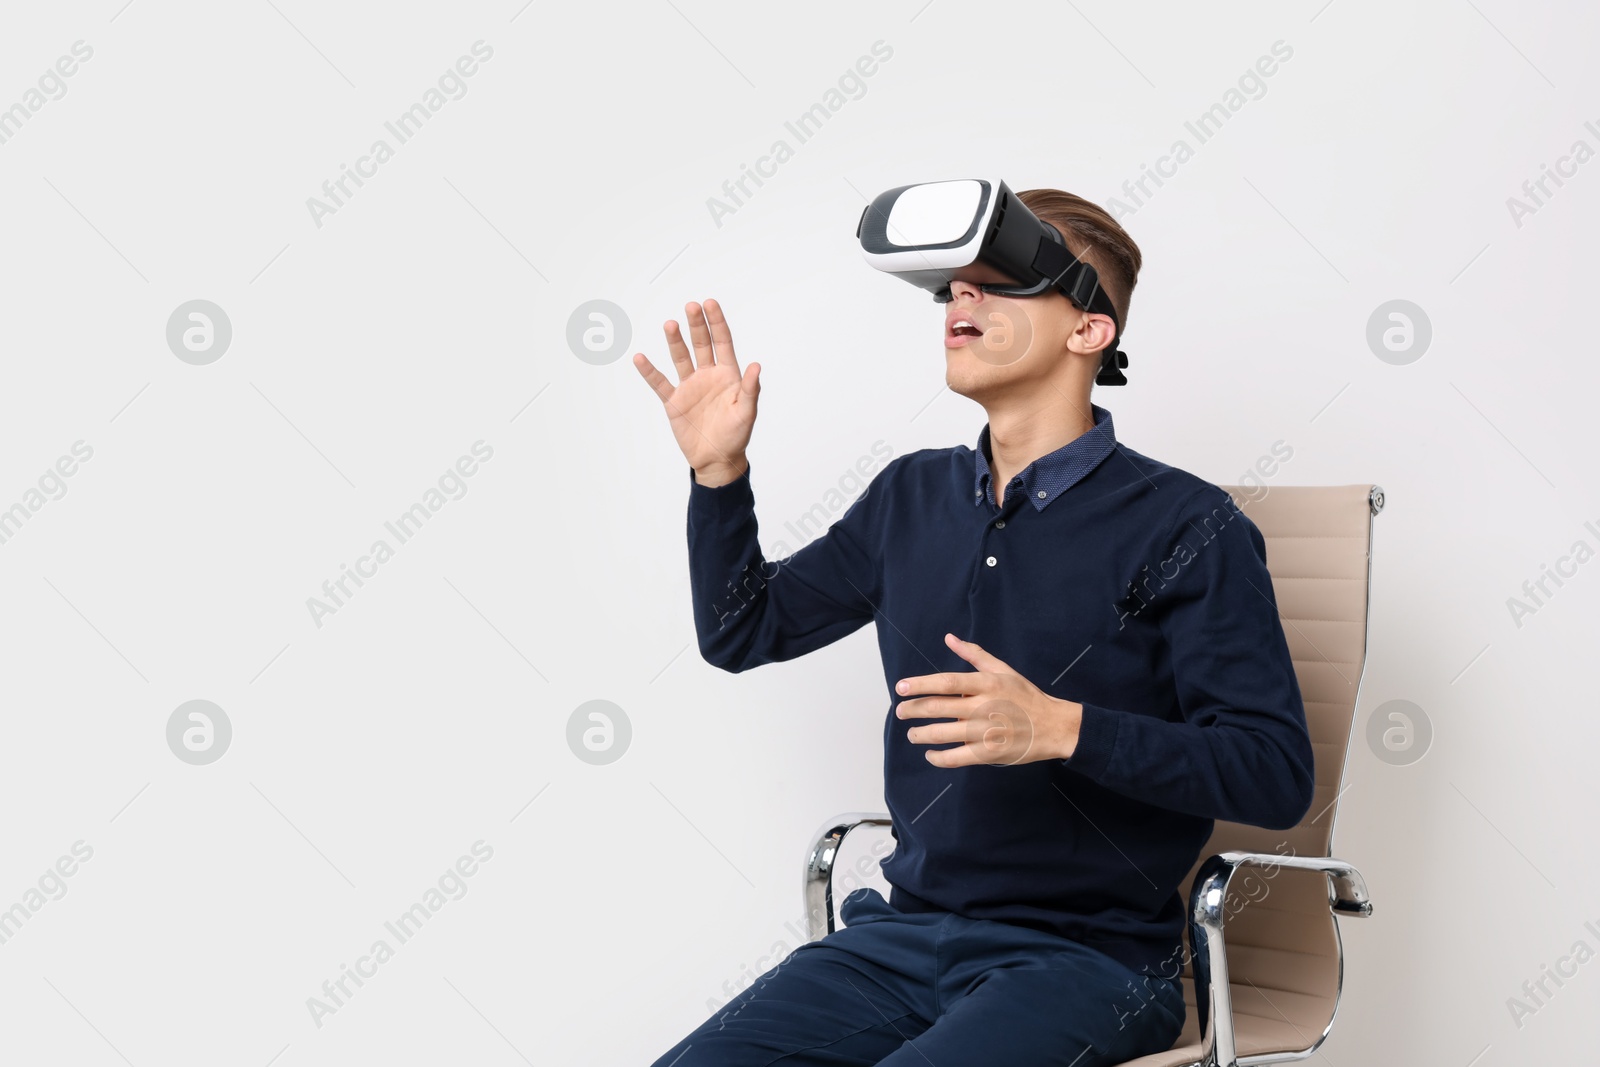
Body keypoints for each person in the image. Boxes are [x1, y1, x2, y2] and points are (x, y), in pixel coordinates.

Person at [631, 188, 1314, 1066]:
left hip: (1090, 964)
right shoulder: (910, 497)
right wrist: (719, 475)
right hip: (900, 942)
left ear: (1088, 331)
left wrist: (1061, 728)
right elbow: (742, 631)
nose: (962, 299)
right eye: (955, 286)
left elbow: (1274, 773)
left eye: (1001, 284)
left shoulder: (1188, 525)